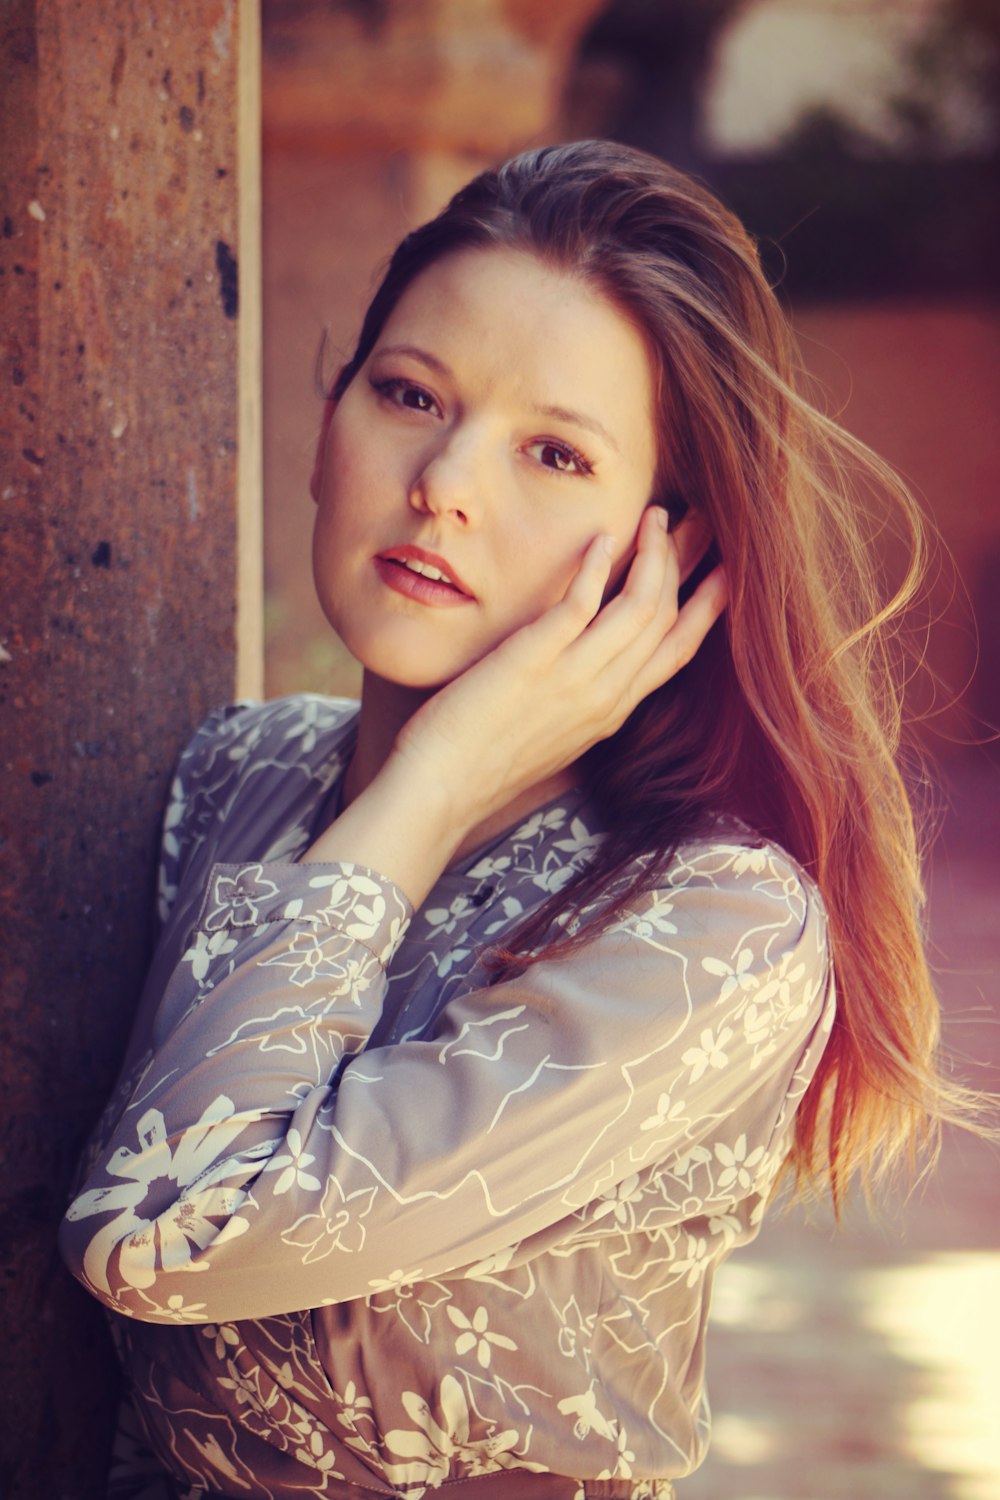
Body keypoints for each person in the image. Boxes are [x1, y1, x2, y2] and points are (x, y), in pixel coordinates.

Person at [59, 140, 958, 1500]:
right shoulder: (233, 776)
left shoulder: (710, 924)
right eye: (409, 393)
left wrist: (428, 787)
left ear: (673, 552)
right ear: (324, 423)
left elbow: (163, 1236)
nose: (445, 482)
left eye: (554, 451)